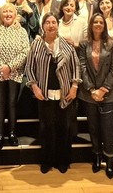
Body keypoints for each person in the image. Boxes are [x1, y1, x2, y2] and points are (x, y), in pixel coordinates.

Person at [77, 13, 113, 179]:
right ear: (91, 24)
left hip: (108, 94)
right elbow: (82, 66)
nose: (98, 24)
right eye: (95, 22)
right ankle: (97, 156)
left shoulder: (112, 43)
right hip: (89, 94)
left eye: (101, 22)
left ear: (104, 25)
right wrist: (91, 89)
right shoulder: (83, 43)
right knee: (93, 127)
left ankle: (109, 159)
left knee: (108, 128)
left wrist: (103, 89)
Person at [25, 13, 80, 174]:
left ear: (58, 25)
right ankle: (47, 161)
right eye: (47, 22)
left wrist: (74, 86)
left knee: (64, 127)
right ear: (43, 26)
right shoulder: (36, 44)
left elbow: (76, 65)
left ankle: (63, 161)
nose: (51, 25)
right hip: (44, 94)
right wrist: (34, 87)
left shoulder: (66, 44)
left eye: (54, 22)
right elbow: (29, 67)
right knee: (46, 128)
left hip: (65, 94)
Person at [0, 3, 30, 150]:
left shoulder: (21, 31)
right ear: (1, 14)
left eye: (10, 12)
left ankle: (12, 133)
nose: (7, 14)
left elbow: (25, 51)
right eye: (4, 11)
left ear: (15, 14)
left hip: (15, 72)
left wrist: (10, 67)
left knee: (12, 103)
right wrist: (2, 68)